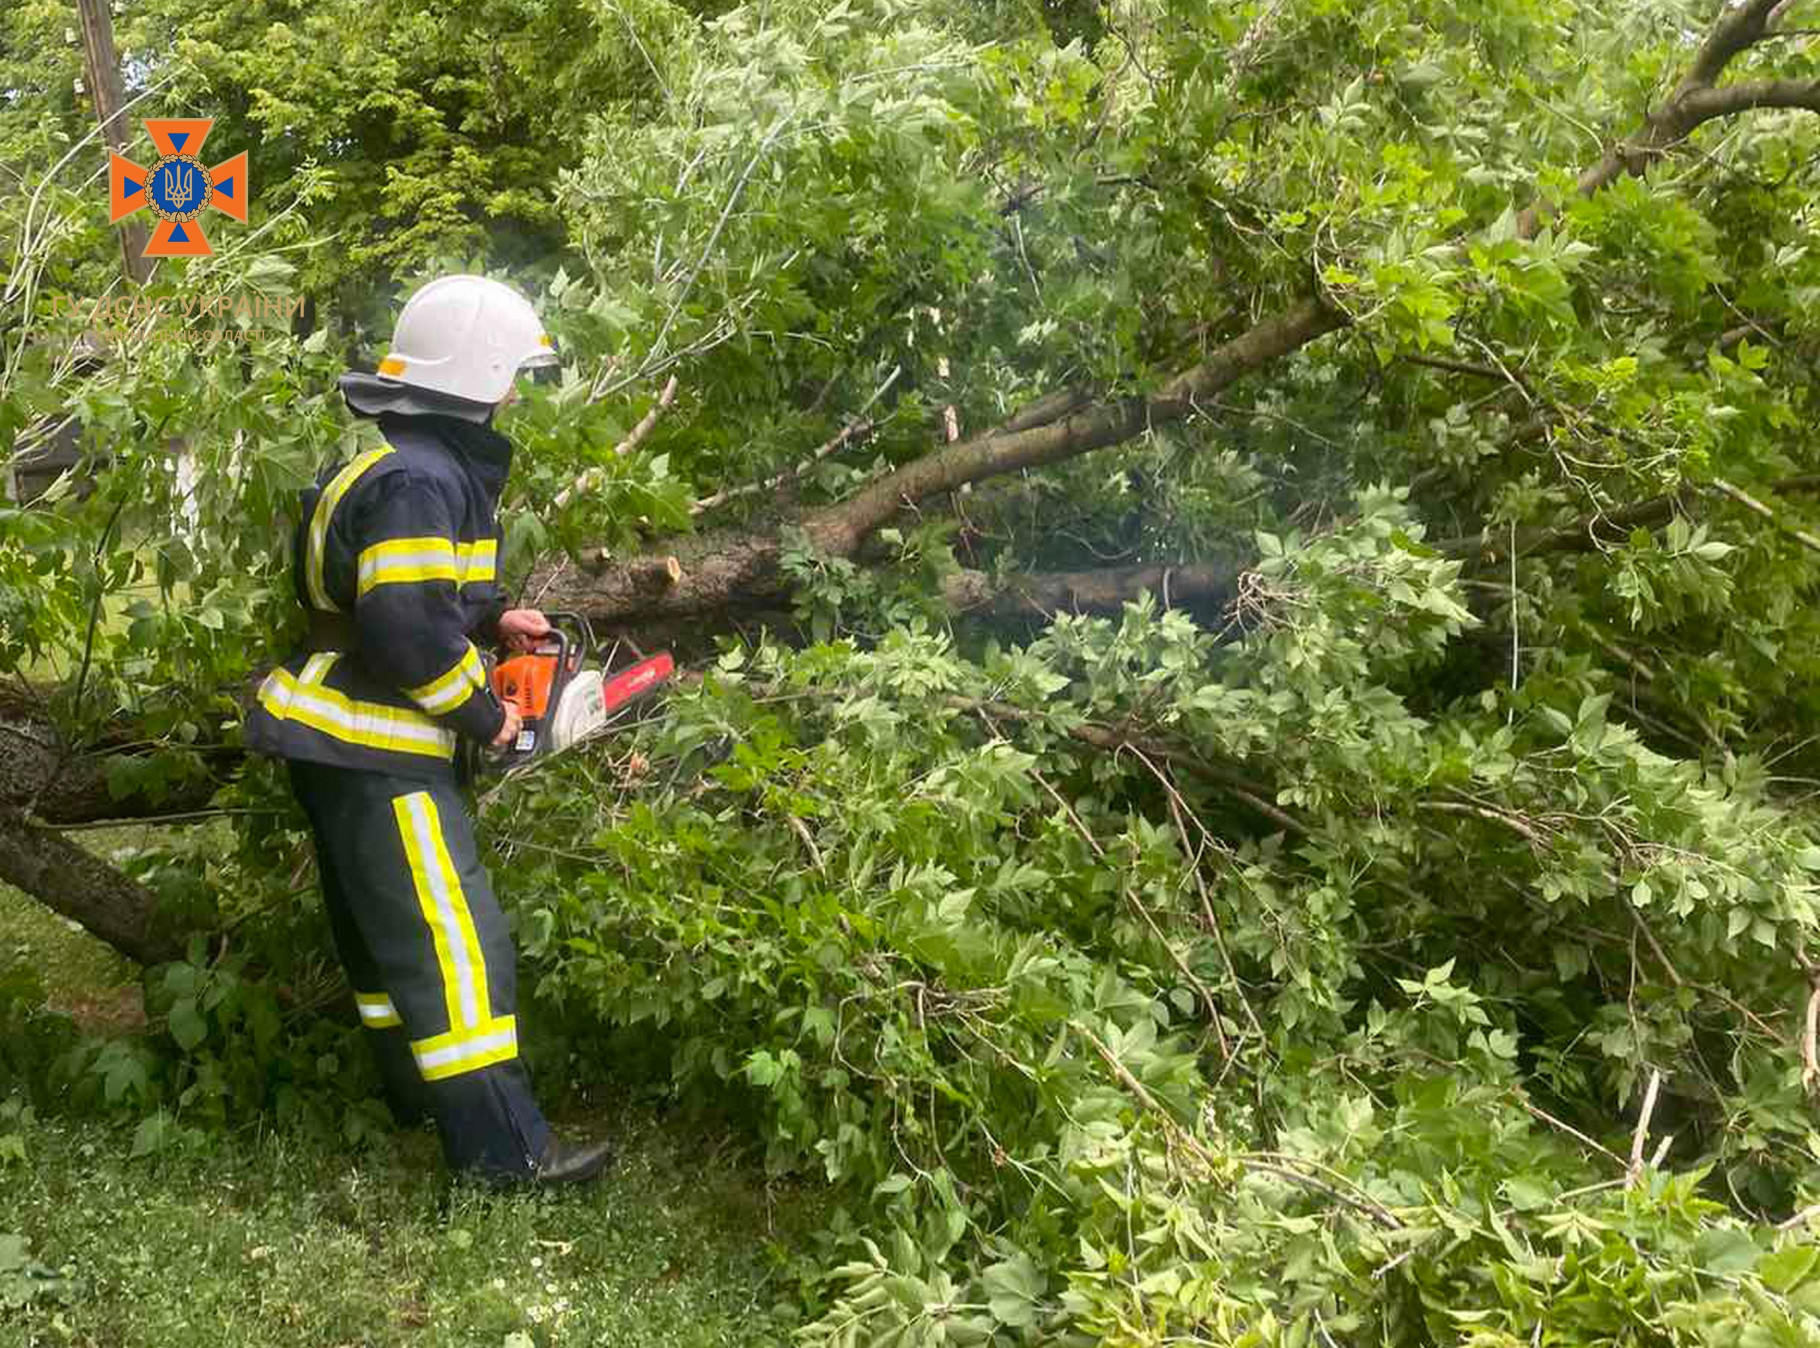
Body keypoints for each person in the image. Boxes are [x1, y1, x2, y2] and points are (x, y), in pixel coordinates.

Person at [245, 275, 611, 1187]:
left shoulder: (409, 462)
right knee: (454, 940)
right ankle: (506, 1153)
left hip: (335, 739)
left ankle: (415, 1097)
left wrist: (495, 623)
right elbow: (406, 634)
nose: (517, 390)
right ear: (481, 370)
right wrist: (493, 717)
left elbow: (420, 597)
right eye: (513, 372)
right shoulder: (421, 477)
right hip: (379, 747)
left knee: (384, 935)